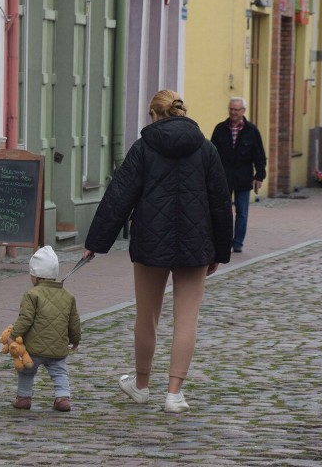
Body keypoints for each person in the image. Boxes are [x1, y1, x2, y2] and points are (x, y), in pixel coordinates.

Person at [83, 90, 232, 414]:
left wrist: (96, 242)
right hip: (196, 245)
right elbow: (220, 201)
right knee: (186, 319)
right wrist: (220, 251)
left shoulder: (144, 148)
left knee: (146, 318)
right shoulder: (206, 149)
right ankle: (174, 394)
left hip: (151, 242)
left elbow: (119, 196)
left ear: (154, 114)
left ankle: (141, 385)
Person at [10, 245, 81, 413]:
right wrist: (75, 339)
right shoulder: (68, 296)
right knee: (60, 373)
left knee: (27, 372)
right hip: (57, 348)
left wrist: (14, 335)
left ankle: (24, 397)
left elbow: (25, 319)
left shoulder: (32, 294)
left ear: (34, 276)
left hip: (33, 349)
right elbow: (74, 322)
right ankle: (63, 398)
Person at [210, 97, 266, 253]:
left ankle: (238, 242)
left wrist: (259, 175)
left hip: (243, 176)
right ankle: (224, 240)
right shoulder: (220, 129)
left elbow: (259, 154)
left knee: (242, 211)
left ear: (243, 111)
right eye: (231, 109)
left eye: (236, 110)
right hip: (223, 177)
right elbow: (212, 154)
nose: (233, 112)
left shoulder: (252, 131)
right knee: (223, 210)